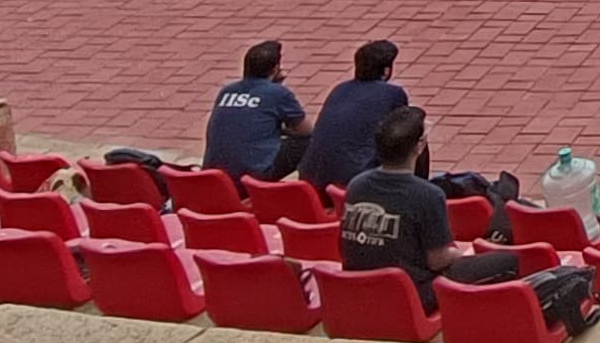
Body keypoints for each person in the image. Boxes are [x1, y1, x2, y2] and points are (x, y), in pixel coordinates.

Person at [340, 106, 528, 310]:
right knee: (507, 261)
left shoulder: (356, 185)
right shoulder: (428, 195)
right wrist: (464, 252)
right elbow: (438, 260)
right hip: (410, 293)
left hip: (361, 285)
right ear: (418, 147)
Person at [301, 39, 412, 194]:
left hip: (312, 180)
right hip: (355, 184)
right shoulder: (393, 93)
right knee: (414, 136)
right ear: (386, 70)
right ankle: (410, 191)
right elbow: (402, 133)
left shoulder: (339, 89)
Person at [203, 40, 308, 179]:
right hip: (252, 178)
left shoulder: (227, 91)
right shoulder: (278, 93)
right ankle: (309, 187)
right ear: (276, 69)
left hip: (216, 177)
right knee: (308, 141)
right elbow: (306, 130)